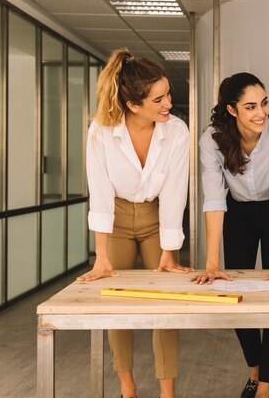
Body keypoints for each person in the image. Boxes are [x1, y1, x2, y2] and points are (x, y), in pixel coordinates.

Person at [77, 48, 192, 398]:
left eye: (168, 94)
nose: (168, 103)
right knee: (117, 303)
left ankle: (167, 391)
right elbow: (98, 192)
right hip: (117, 218)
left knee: (167, 303)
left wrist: (171, 252)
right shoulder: (100, 131)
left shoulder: (176, 132)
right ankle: (128, 388)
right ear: (133, 105)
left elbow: (175, 194)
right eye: (158, 99)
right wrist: (101, 255)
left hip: (157, 217)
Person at [190, 72, 269, 398]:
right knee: (231, 291)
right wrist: (211, 263)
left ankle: (265, 385)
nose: (261, 113)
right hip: (237, 212)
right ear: (231, 110)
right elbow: (213, 198)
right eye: (250, 106)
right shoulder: (211, 138)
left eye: (264, 103)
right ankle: (255, 367)